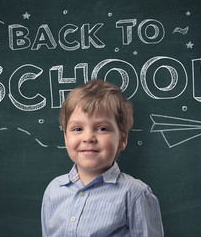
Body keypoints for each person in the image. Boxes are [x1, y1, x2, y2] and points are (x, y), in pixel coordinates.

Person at [41, 79, 164, 236]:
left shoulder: (134, 193)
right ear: (65, 137)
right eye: (77, 128)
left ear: (122, 139)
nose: (88, 137)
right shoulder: (54, 190)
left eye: (102, 128)